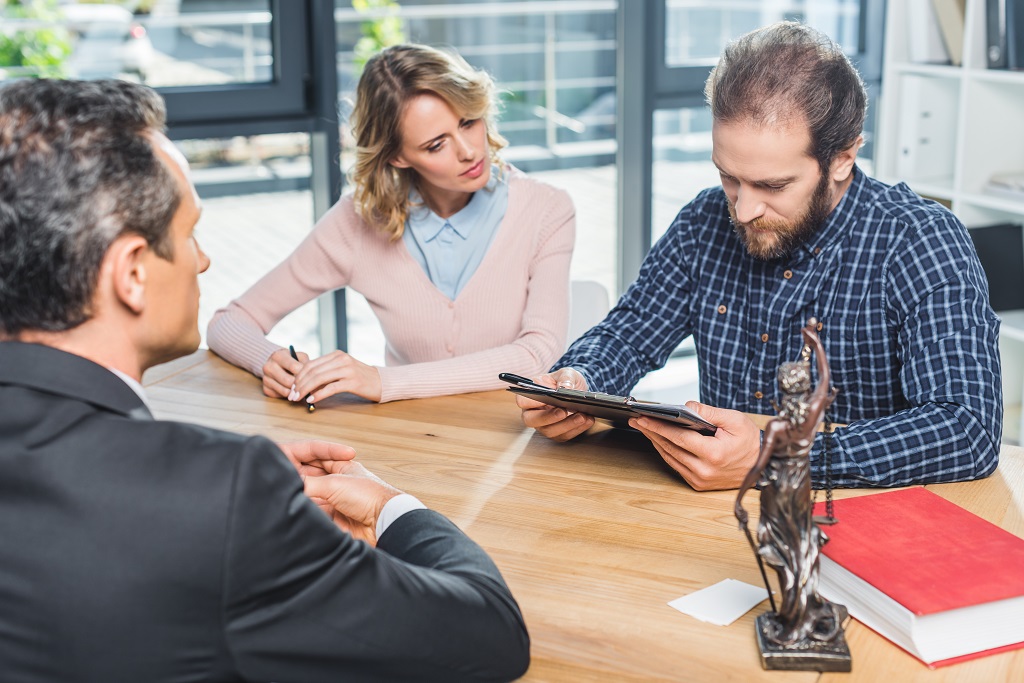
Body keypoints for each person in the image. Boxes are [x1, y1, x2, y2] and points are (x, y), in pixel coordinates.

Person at [0, 78, 529, 682]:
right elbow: (488, 637)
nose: (202, 260)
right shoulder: (222, 497)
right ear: (132, 274)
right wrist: (388, 506)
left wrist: (195, 469)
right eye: (188, 232)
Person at [517, 21, 1002, 491]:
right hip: (717, 513)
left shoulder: (919, 240)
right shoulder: (704, 219)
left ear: (842, 159)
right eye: (728, 176)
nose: (744, 210)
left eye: (772, 185)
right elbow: (629, 332)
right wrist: (577, 382)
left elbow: (966, 428)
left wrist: (777, 455)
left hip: (857, 527)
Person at [207, 43, 575, 404]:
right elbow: (228, 323)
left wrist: (382, 381)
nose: (469, 151)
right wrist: (268, 360)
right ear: (398, 157)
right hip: (405, 444)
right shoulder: (356, 223)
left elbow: (537, 354)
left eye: (468, 122)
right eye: (436, 145)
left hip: (517, 445)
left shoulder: (546, 209)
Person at [735, 320, 842, 647]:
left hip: (778, 492)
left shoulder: (778, 427)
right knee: (802, 548)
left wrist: (739, 499)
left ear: (782, 391)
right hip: (801, 487)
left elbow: (758, 467)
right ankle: (804, 609)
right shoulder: (813, 412)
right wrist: (817, 344)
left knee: (783, 550)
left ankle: (793, 618)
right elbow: (825, 380)